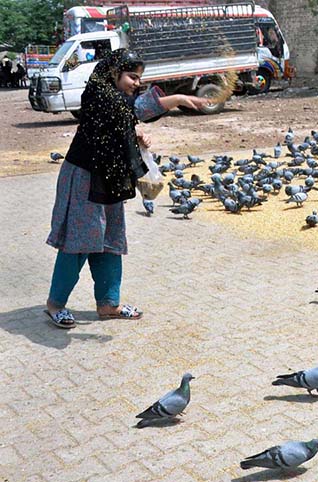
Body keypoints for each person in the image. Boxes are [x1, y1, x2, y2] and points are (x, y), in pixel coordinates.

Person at [44, 48, 207, 328]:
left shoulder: (119, 101)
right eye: (132, 77)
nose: (136, 83)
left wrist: (135, 134)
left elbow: (125, 119)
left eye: (139, 78)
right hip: (83, 176)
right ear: (114, 73)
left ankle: (109, 304)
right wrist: (177, 98)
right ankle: (55, 304)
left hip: (108, 179)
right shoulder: (98, 93)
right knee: (78, 242)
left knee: (110, 241)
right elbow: (130, 110)